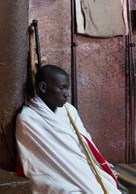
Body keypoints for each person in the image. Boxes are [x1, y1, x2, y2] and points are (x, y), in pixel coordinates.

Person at [16, 64, 120, 193]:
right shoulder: (28, 118)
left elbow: (85, 142)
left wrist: (98, 165)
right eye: (62, 88)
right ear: (43, 87)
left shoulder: (69, 110)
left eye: (67, 89)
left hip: (79, 168)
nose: (66, 94)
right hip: (53, 174)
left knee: (106, 186)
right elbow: (39, 160)